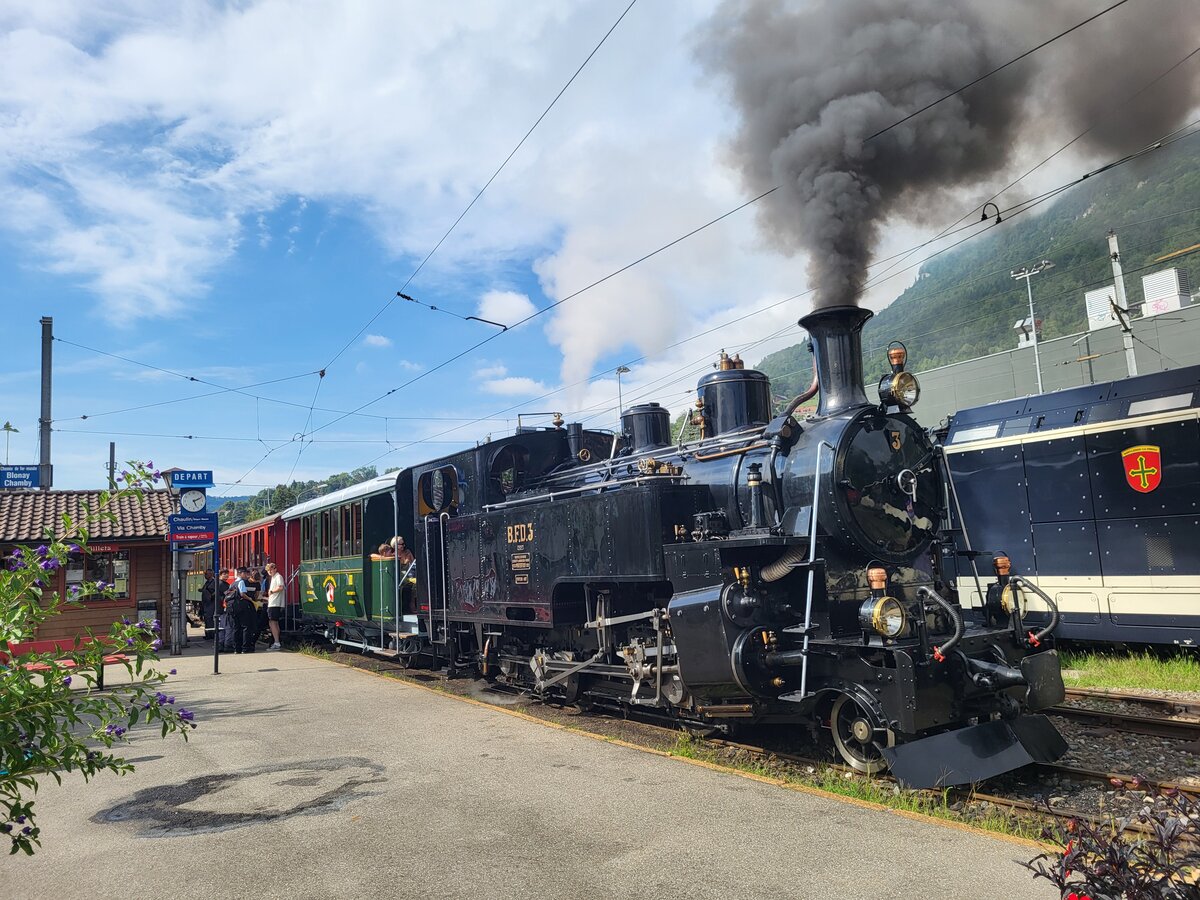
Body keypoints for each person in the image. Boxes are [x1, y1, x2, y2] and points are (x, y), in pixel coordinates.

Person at [228, 567, 258, 654]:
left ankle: (236, 648)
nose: (246, 575)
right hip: (241, 606)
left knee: (236, 628)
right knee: (245, 627)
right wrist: (250, 599)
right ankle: (245, 648)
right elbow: (242, 594)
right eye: (245, 573)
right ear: (240, 573)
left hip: (233, 607)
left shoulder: (233, 583)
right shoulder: (241, 582)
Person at [264, 561, 286, 650]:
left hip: (275, 603)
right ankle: (277, 641)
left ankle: (277, 642)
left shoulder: (278, 577)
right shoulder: (274, 577)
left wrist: (272, 591)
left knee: (273, 622)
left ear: (275, 569)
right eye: (268, 570)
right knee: (273, 622)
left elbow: (281, 587)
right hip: (273, 602)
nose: (269, 572)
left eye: (271, 570)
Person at [199, 569, 217, 638]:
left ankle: (211, 635)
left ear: (210, 574)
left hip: (210, 603)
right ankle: (208, 634)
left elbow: (216, 591)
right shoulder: (207, 582)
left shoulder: (214, 582)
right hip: (206, 603)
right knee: (207, 619)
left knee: (209, 619)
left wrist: (211, 596)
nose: (205, 575)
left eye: (206, 574)